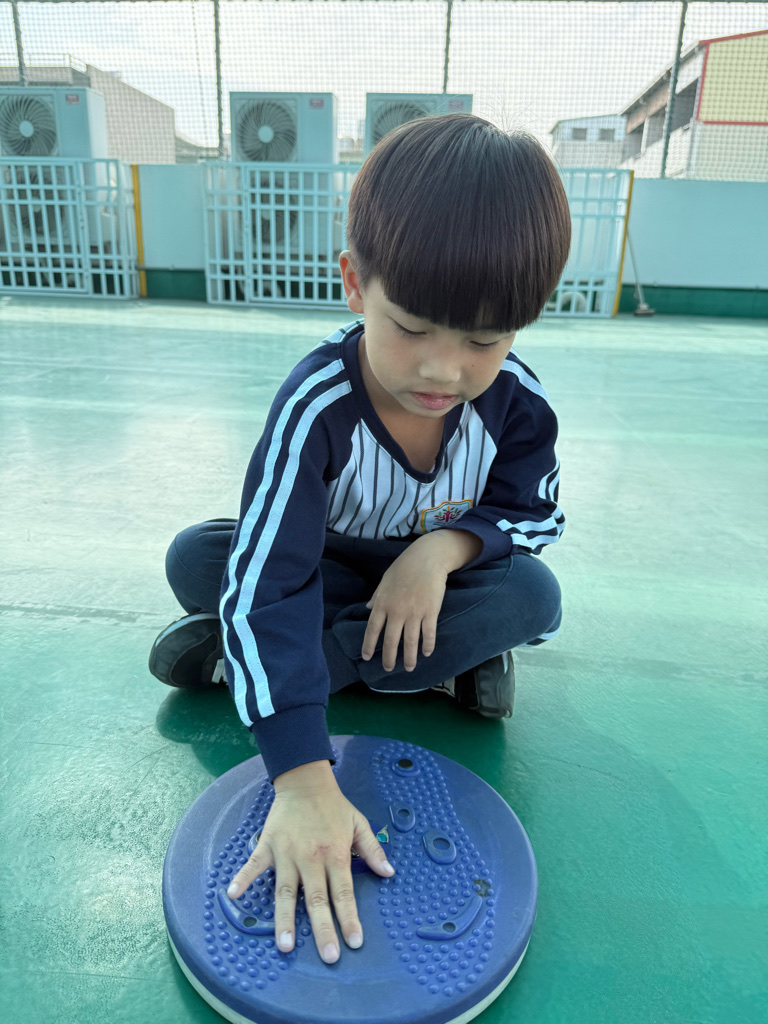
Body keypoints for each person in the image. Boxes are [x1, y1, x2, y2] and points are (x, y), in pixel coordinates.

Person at [149, 112, 571, 970]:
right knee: (199, 557)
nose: (443, 370)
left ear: (521, 325)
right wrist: (303, 777)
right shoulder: (317, 406)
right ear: (354, 283)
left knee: (532, 595)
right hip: (331, 567)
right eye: (410, 326)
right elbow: (275, 571)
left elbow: (537, 515)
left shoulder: (518, 403)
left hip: (438, 586)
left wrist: (441, 552)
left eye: (484, 340)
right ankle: (422, 668)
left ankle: (261, 663)